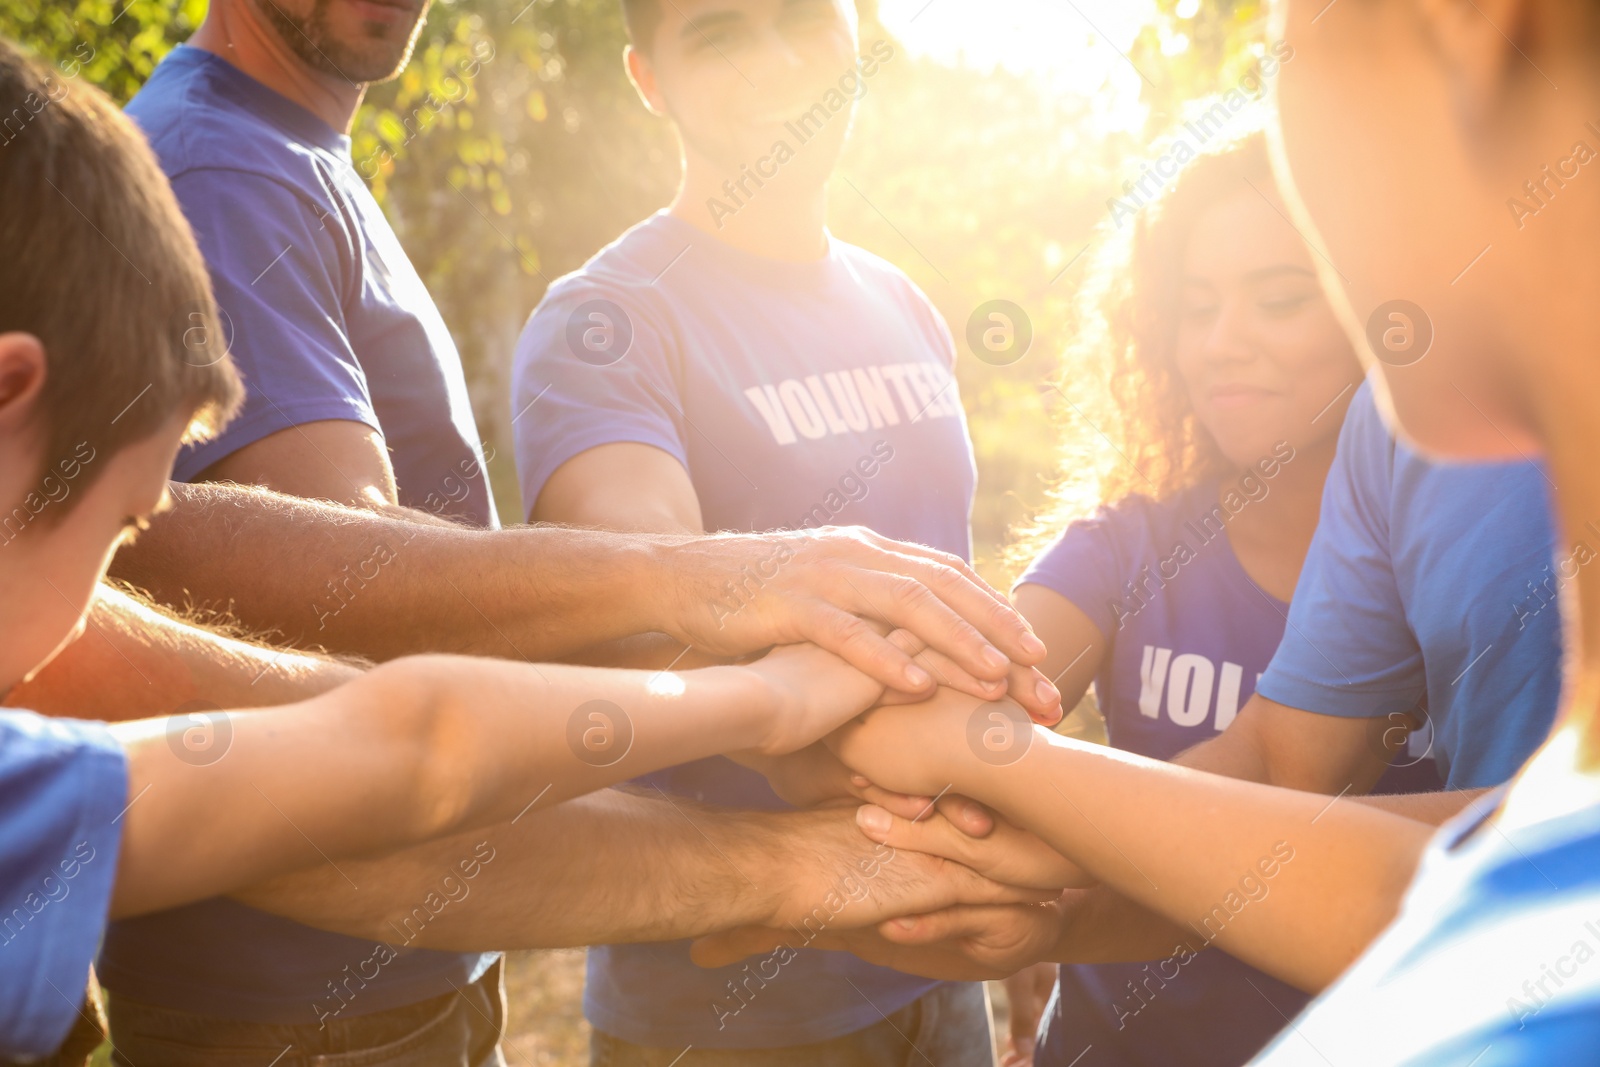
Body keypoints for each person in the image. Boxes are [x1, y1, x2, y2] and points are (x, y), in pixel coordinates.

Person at [0, 42, 1045, 1062]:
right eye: (127, 531)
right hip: (318, 1002)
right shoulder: (225, 163)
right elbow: (377, 715)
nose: (111, 584)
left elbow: (414, 740)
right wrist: (710, 622)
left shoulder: (298, 157)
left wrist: (777, 724)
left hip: (416, 947)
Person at [748, 0, 1600, 1060]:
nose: (1227, 342)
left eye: (1286, 33)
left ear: (1469, 24)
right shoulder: (1385, 440)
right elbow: (1332, 796)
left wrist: (1002, 767)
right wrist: (1040, 879)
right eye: (1197, 306)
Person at [508, 0, 1031, 1060]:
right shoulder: (607, 321)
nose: (776, 58)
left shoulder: (901, 300)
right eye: (718, 32)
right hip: (735, 993)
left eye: (803, 17)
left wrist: (1023, 884)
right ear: (648, 79)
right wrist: (789, 740)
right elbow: (632, 595)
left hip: (944, 943)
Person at [1001, 133, 1443, 1067]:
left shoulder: (1467, 573)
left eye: (1279, 298)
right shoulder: (1132, 539)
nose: (1221, 342)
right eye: (1195, 308)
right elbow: (984, 685)